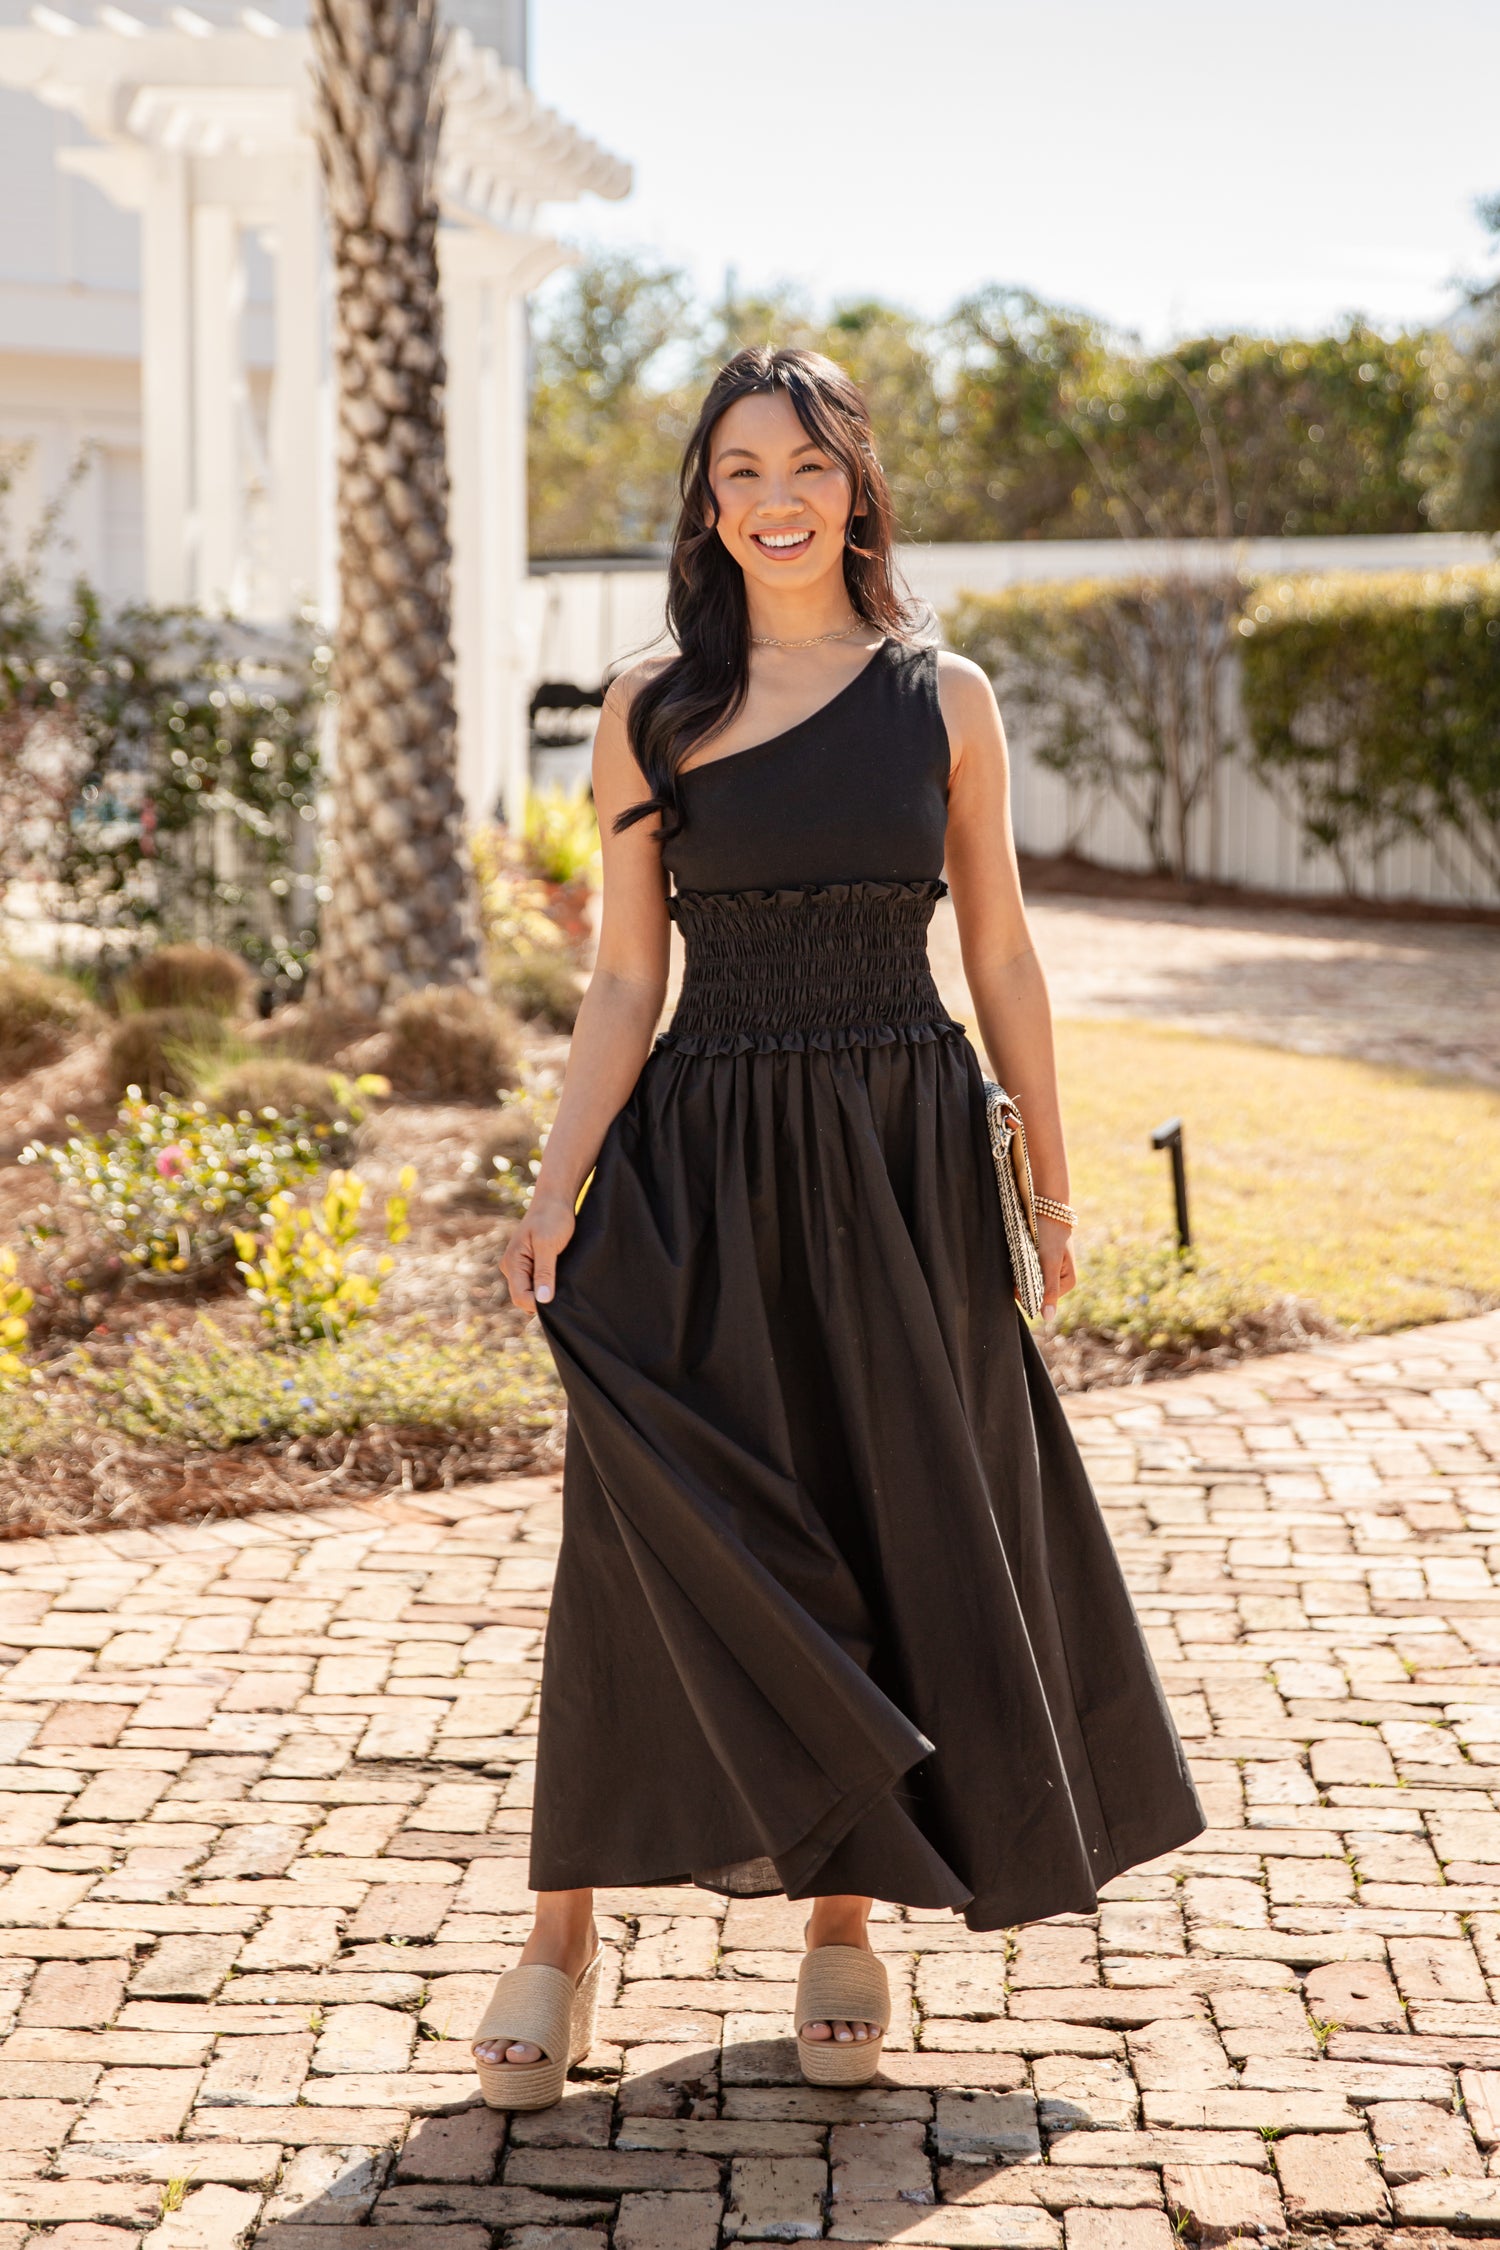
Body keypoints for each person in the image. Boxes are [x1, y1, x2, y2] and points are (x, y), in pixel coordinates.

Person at [470, 347, 1203, 2109]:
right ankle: (561, 1935)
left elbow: (1003, 948)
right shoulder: (653, 705)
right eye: (738, 472)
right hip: (699, 1155)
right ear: (704, 503)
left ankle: (844, 1921)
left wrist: (1051, 1176)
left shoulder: (944, 697)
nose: (774, 500)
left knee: (876, 1512)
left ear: (857, 483)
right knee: (647, 1530)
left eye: (804, 465)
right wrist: (558, 1180)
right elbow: (626, 971)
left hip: (901, 1153)